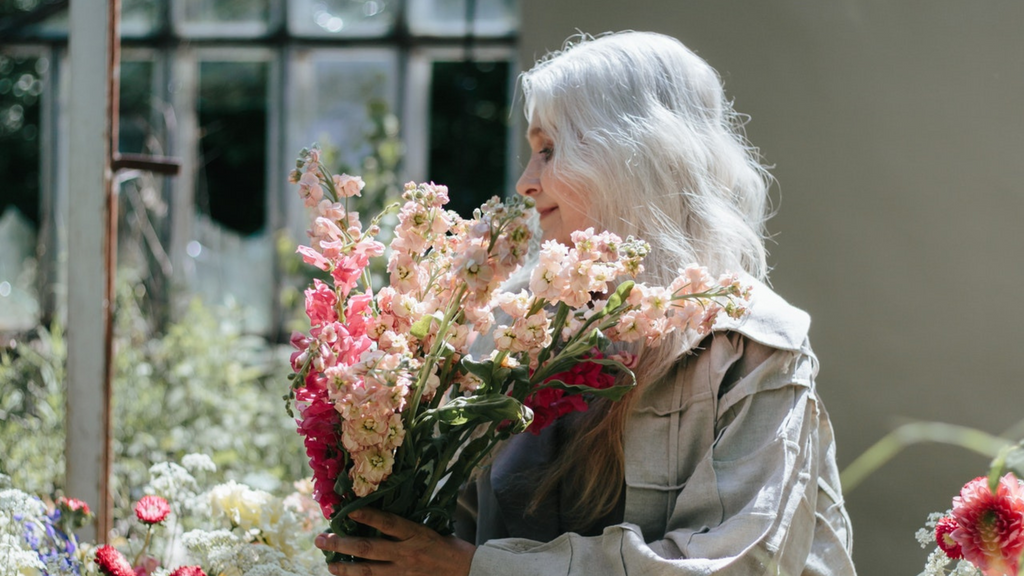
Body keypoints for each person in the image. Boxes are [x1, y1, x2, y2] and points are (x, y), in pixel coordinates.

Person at [315, 31, 857, 576]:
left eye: (549, 150)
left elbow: (744, 562)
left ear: (633, 159)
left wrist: (477, 569)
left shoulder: (748, 345)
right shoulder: (513, 325)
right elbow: (447, 531)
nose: (527, 183)